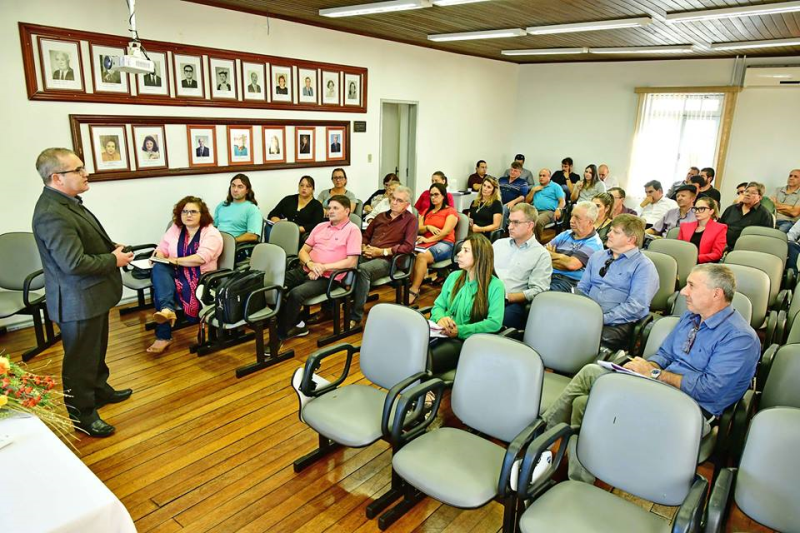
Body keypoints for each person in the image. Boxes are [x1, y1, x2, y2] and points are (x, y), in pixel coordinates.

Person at [543, 263, 760, 483]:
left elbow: (709, 389)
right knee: (591, 372)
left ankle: (576, 480)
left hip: (690, 409)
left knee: (583, 404)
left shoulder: (739, 338)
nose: (683, 292)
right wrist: (642, 366)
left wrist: (655, 374)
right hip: (660, 387)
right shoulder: (690, 317)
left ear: (716, 294)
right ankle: (540, 439)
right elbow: (665, 354)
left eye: (691, 286)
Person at [32, 148, 134, 437]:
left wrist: (111, 247)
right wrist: (114, 260)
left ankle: (100, 390)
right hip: (77, 300)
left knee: (96, 351)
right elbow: (73, 263)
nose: (85, 172)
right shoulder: (52, 214)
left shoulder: (67, 202)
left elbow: (85, 241)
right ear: (57, 178)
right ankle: (82, 415)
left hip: (92, 295)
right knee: (80, 361)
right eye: (78, 169)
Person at [276, 196, 361, 339]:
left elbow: (351, 262)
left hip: (329, 277)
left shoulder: (353, 230)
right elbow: (302, 251)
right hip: (307, 268)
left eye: (335, 208)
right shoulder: (320, 226)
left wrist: (322, 267)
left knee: (296, 294)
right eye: (329, 208)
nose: (330, 211)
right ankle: (297, 324)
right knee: (275, 285)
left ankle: (280, 334)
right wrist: (311, 264)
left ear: (347, 211)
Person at [147, 196, 223, 354]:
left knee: (162, 289)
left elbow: (200, 259)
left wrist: (174, 260)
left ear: (202, 214)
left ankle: (163, 335)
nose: (188, 215)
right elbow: (162, 247)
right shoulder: (176, 228)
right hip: (176, 271)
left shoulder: (211, 233)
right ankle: (167, 310)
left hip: (201, 278)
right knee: (159, 269)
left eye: (193, 212)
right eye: (185, 211)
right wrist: (159, 255)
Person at [577, 214, 659, 350]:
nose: (608, 234)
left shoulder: (644, 266)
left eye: (615, 232)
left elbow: (636, 306)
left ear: (631, 239)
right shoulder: (597, 257)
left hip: (617, 322)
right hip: (588, 315)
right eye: (610, 230)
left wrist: (602, 318)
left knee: (584, 338)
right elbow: (583, 288)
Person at [428, 234, 505, 375]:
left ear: (480, 256)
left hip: (467, 341)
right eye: (461, 249)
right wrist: (440, 319)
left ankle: (424, 392)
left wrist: (460, 330)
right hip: (442, 333)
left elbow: (494, 323)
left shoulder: (495, 286)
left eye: (465, 251)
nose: (459, 254)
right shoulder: (454, 276)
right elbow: (438, 306)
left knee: (426, 357)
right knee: (410, 346)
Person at [351, 186, 418, 327]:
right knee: (346, 262)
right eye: (393, 198)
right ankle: (330, 308)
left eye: (399, 200)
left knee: (363, 270)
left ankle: (356, 318)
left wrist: (382, 252)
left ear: (406, 205)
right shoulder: (380, 216)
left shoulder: (411, 220)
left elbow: (408, 246)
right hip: (370, 253)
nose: (394, 202)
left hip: (389, 259)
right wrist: (363, 247)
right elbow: (366, 236)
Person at [493, 204, 552, 329]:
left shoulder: (541, 255)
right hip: (483, 296)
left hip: (509, 302)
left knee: (492, 323)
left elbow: (539, 290)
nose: (509, 227)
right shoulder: (498, 244)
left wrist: (508, 297)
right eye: (509, 222)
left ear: (530, 225)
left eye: (516, 223)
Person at [408, 183, 459, 304]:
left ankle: (414, 289)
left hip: (445, 243)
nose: (433, 197)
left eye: (436, 195)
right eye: (431, 195)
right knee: (409, 252)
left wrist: (428, 240)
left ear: (443, 196)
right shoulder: (427, 211)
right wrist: (428, 227)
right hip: (427, 243)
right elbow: (419, 228)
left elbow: (445, 232)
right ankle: (414, 283)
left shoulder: (450, 211)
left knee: (421, 256)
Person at [546, 201, 604, 292]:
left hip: (569, 281)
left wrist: (551, 255)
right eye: (572, 215)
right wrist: (562, 260)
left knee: (540, 296)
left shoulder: (594, 243)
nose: (571, 220)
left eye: (577, 217)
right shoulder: (566, 234)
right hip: (547, 273)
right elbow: (541, 254)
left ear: (590, 222)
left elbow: (571, 265)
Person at [719, 181, 774, 248]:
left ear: (759, 197)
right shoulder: (731, 209)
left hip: (748, 250)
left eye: (753, 193)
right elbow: (720, 228)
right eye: (747, 191)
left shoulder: (765, 215)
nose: (747, 194)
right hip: (724, 246)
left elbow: (766, 239)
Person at [214, 174, 261, 244]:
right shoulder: (222, 205)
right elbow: (214, 226)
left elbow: (253, 236)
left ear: (247, 190)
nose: (235, 190)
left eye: (240, 187)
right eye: (233, 186)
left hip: (235, 245)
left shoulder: (252, 209)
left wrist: (231, 241)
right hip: (217, 243)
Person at [678, 197, 727, 263]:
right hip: (684, 262)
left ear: (711, 211)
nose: (697, 212)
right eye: (695, 209)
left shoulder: (720, 228)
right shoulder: (684, 226)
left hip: (704, 265)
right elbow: (679, 248)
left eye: (701, 209)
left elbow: (717, 254)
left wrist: (694, 258)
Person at [527, 168, 565, 242]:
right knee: (522, 219)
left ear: (549, 177)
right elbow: (527, 201)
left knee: (538, 221)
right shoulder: (536, 186)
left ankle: (534, 242)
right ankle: (523, 240)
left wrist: (558, 209)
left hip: (549, 212)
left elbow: (562, 201)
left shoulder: (555, 186)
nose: (541, 177)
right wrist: (533, 190)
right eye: (540, 176)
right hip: (535, 210)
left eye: (544, 176)